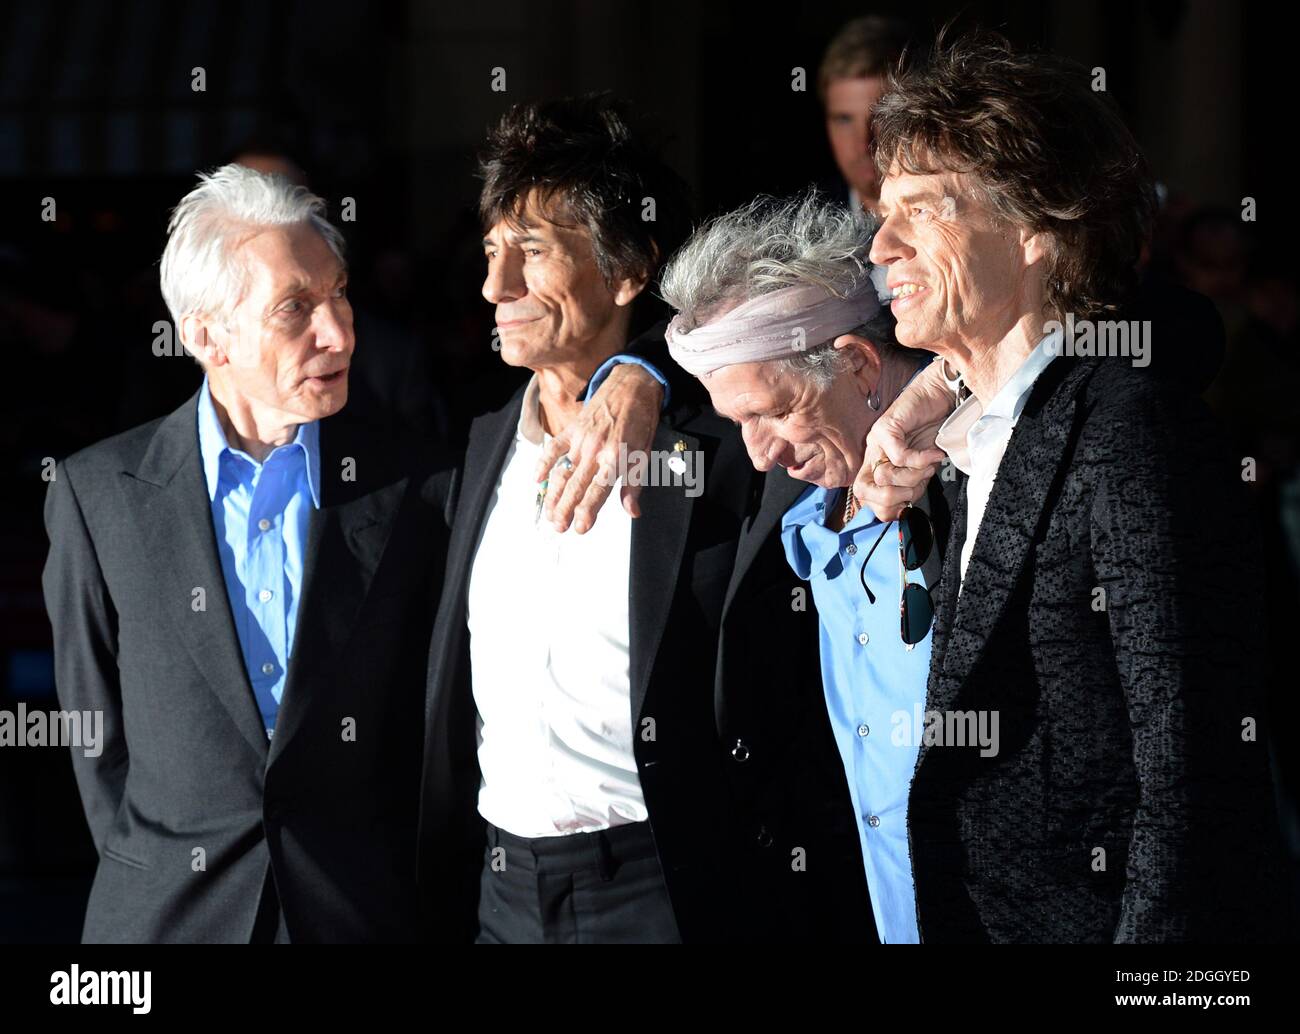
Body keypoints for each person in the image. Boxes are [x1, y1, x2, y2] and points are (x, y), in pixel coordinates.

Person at [42, 163, 660, 943]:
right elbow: (97, 743)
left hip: (362, 918)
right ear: (205, 334)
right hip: (168, 920)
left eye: (339, 293)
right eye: (295, 308)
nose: (338, 331)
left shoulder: (422, 485)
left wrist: (645, 372)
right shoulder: (99, 496)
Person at [855, 32, 1287, 941]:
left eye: (922, 211)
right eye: (881, 211)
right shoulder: (962, 438)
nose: (881, 243)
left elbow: (1192, 773)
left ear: (1037, 229)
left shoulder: (1132, 432)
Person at [419, 97, 874, 944]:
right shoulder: (477, 449)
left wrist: (648, 367)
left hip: (665, 886)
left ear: (630, 273)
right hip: (499, 893)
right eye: (490, 252)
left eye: (533, 253)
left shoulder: (730, 451)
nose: (495, 287)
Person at [660, 191, 953, 943]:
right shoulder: (791, 519)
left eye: (774, 410)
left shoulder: (984, 480)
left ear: (856, 363)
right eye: (738, 424)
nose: (760, 455)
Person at [817, 16, 914, 218]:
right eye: (844, 119)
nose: (863, 143)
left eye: (883, 116)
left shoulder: (964, 223)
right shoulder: (800, 232)